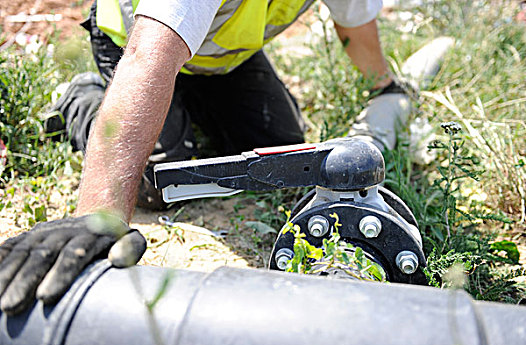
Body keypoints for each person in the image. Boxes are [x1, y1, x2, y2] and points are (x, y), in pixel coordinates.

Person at [0, 0, 411, 315]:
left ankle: (182, 106)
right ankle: (84, 99)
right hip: (136, 37)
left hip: (218, 57)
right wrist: (99, 216)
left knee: (282, 153)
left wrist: (386, 87)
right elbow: (149, 57)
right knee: (156, 180)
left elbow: (354, 25)